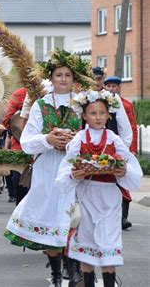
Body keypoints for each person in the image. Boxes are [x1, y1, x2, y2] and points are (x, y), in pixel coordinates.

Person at [4, 49, 95, 287]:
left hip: (75, 169)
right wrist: (49, 140)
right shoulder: (41, 105)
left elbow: (95, 133)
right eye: (58, 75)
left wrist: (76, 140)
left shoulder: (83, 105)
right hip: (48, 170)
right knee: (50, 219)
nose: (63, 79)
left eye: (67, 75)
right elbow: (26, 141)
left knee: (74, 217)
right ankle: (56, 273)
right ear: (51, 79)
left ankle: (73, 271)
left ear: (74, 79)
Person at [56, 90, 142, 287]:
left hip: (110, 196)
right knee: (87, 240)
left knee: (109, 240)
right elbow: (66, 169)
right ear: (84, 116)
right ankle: (88, 282)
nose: (98, 117)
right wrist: (73, 174)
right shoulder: (78, 139)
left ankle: (109, 282)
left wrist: (122, 171)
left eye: (102, 113)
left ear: (108, 115)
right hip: (87, 194)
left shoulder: (113, 139)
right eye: (93, 113)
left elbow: (129, 165)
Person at [104, 75, 138, 230]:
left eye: (114, 86)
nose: (111, 89)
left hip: (122, 147)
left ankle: (123, 217)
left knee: (123, 182)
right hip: (105, 147)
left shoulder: (126, 105)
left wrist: (132, 150)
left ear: (119, 87)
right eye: (108, 86)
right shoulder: (101, 102)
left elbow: (131, 128)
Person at [2, 87, 27, 204]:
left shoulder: (20, 93)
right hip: (47, 148)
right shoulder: (54, 92)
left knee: (21, 186)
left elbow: (7, 120)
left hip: (21, 146)